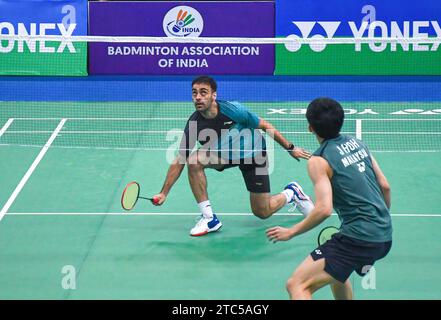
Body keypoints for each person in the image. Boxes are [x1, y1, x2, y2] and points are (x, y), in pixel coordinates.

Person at [152, 75, 314, 236]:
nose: (198, 97)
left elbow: (265, 125)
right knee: (193, 161)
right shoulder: (195, 123)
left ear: (213, 95)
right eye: (194, 93)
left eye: (203, 92)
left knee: (262, 211)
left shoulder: (233, 110)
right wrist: (164, 192)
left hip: (254, 154)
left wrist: (290, 148)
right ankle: (209, 218)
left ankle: (292, 193)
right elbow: (180, 158)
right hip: (224, 155)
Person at [266, 97, 392, 300]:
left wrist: (291, 231)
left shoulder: (319, 160)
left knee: (297, 285)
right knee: (338, 274)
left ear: (310, 128)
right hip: (384, 235)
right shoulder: (358, 143)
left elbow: (324, 209)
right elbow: (385, 187)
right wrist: (378, 223)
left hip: (358, 238)